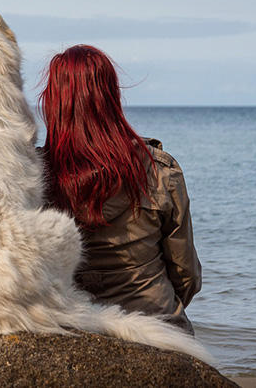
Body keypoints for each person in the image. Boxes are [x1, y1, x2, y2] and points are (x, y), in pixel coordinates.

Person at [38, 44, 201, 334]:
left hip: (76, 327)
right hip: (160, 327)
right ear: (111, 98)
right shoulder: (160, 170)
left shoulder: (33, 176)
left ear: (53, 102)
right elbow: (186, 275)